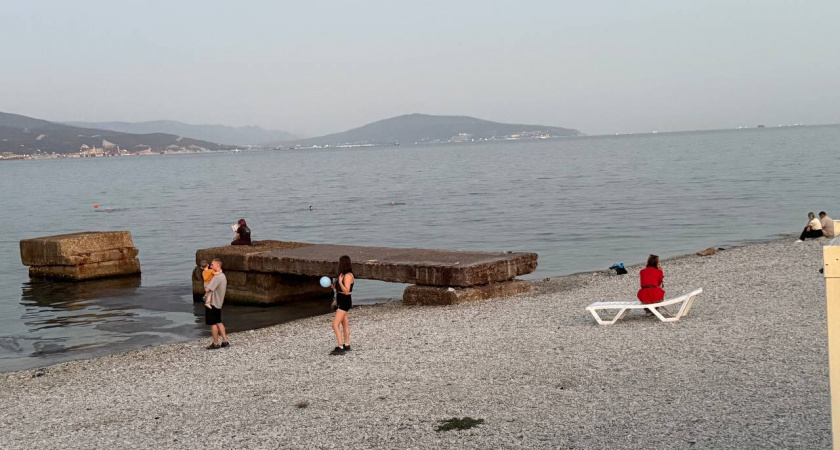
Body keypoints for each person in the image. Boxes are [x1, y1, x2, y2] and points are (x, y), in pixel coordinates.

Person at [330, 255, 354, 356]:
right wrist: (335, 286)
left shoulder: (348, 275)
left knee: (335, 325)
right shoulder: (342, 275)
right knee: (344, 324)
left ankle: (340, 347)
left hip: (345, 301)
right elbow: (340, 290)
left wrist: (340, 282)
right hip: (341, 300)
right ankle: (347, 344)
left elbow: (347, 291)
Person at [205, 258, 230, 349]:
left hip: (213, 303)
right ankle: (225, 341)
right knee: (219, 321)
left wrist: (206, 282)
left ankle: (215, 343)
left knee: (213, 323)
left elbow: (207, 289)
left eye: (212, 264)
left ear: (218, 265)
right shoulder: (222, 276)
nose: (211, 266)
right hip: (219, 302)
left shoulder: (217, 277)